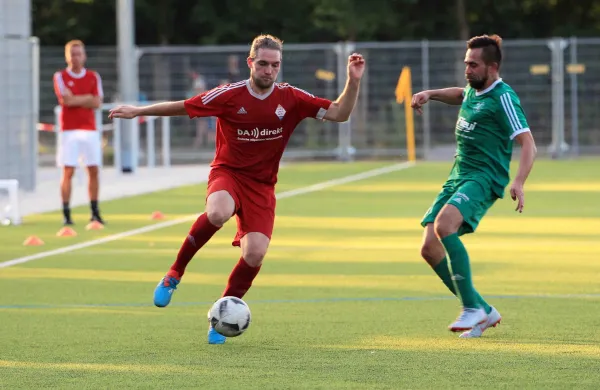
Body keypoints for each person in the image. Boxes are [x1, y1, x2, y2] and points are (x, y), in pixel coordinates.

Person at [109, 34, 366, 344]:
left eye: (274, 65)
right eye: (262, 64)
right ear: (250, 63)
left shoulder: (291, 98)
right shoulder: (228, 95)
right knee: (217, 212)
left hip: (261, 187)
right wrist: (138, 111)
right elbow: (183, 107)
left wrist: (352, 82)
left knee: (256, 253)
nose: (269, 71)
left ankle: (221, 316)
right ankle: (175, 273)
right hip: (228, 173)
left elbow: (340, 113)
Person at [411, 34, 537, 338]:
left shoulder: (503, 97)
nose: (467, 69)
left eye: (473, 64)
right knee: (429, 248)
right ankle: (483, 309)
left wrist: (519, 181)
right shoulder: (474, 89)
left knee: (445, 226)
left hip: (484, 177)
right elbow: (461, 94)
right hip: (459, 174)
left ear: (492, 67)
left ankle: (471, 308)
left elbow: (528, 142)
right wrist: (430, 93)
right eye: (466, 63)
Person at [53, 40, 105, 226]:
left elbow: (97, 102)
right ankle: (66, 213)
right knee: (68, 171)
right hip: (69, 131)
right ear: (67, 57)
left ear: (84, 56)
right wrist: (86, 99)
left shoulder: (93, 77)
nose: (76, 57)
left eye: (79, 54)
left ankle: (95, 211)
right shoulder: (60, 76)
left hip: (89, 130)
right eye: (72, 54)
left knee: (93, 170)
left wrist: (77, 99)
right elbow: (66, 101)